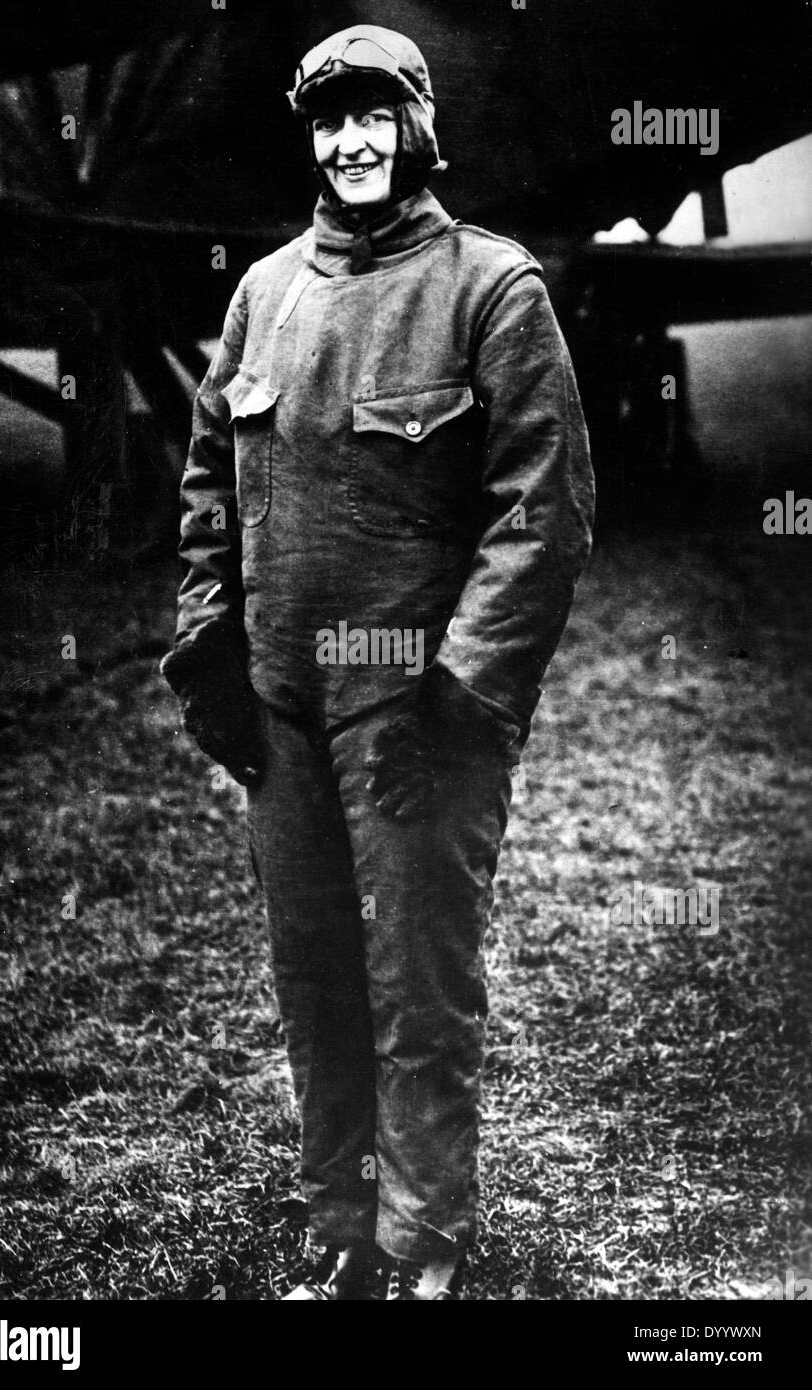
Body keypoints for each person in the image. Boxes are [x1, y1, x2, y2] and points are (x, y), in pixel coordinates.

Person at [161, 24, 594, 1300]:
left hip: (416, 720)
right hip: (284, 710)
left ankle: (421, 1246)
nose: (351, 142)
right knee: (316, 977)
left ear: (416, 127)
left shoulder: (490, 287)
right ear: (310, 136)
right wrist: (212, 653)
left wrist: (459, 700)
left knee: (418, 987)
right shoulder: (266, 293)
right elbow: (204, 488)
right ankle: (338, 1225)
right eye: (328, 120)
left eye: (374, 116)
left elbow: (543, 512)